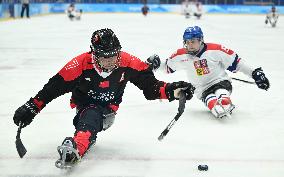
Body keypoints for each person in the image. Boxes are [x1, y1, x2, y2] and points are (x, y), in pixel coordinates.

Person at [13, 28, 195, 168]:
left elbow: (152, 88)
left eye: (114, 55)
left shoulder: (129, 62)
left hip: (109, 110)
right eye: (104, 57)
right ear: (93, 54)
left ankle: (80, 142)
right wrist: (31, 107)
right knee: (90, 113)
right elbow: (52, 89)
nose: (111, 61)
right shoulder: (78, 65)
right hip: (84, 105)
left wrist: (174, 90)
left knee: (93, 115)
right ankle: (82, 140)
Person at [147, 26, 270, 119]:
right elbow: (168, 66)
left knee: (222, 95)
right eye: (187, 42)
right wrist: (156, 65)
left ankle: (224, 100)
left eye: (193, 41)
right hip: (202, 89)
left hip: (220, 82)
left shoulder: (215, 50)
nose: (190, 45)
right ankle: (214, 103)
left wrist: (254, 73)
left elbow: (237, 63)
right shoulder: (181, 55)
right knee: (212, 103)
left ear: (201, 40)